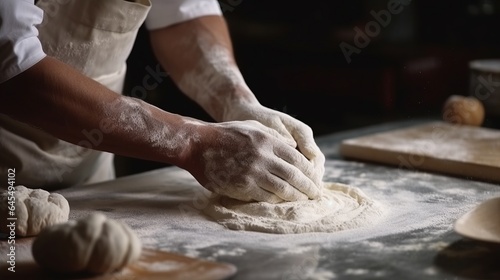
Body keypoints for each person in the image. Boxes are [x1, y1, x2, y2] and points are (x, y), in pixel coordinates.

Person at [0, 0, 325, 203]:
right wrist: (192, 143)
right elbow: (15, 73)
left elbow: (183, 15)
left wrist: (236, 100)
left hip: (90, 177)